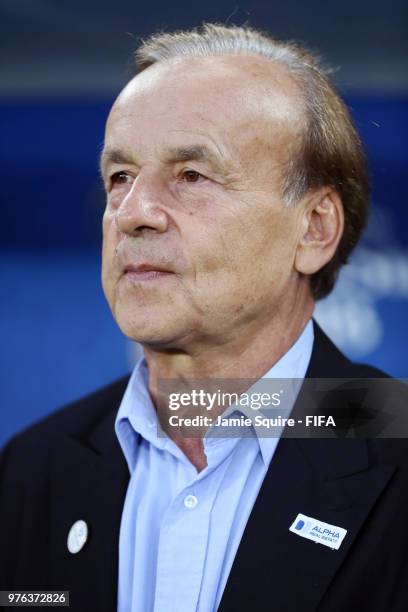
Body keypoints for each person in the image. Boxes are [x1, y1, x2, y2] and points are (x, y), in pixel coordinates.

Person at [1, 23, 407, 612]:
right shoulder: (30, 471)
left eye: (192, 176)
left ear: (314, 228)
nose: (133, 213)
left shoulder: (394, 440)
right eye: (119, 178)